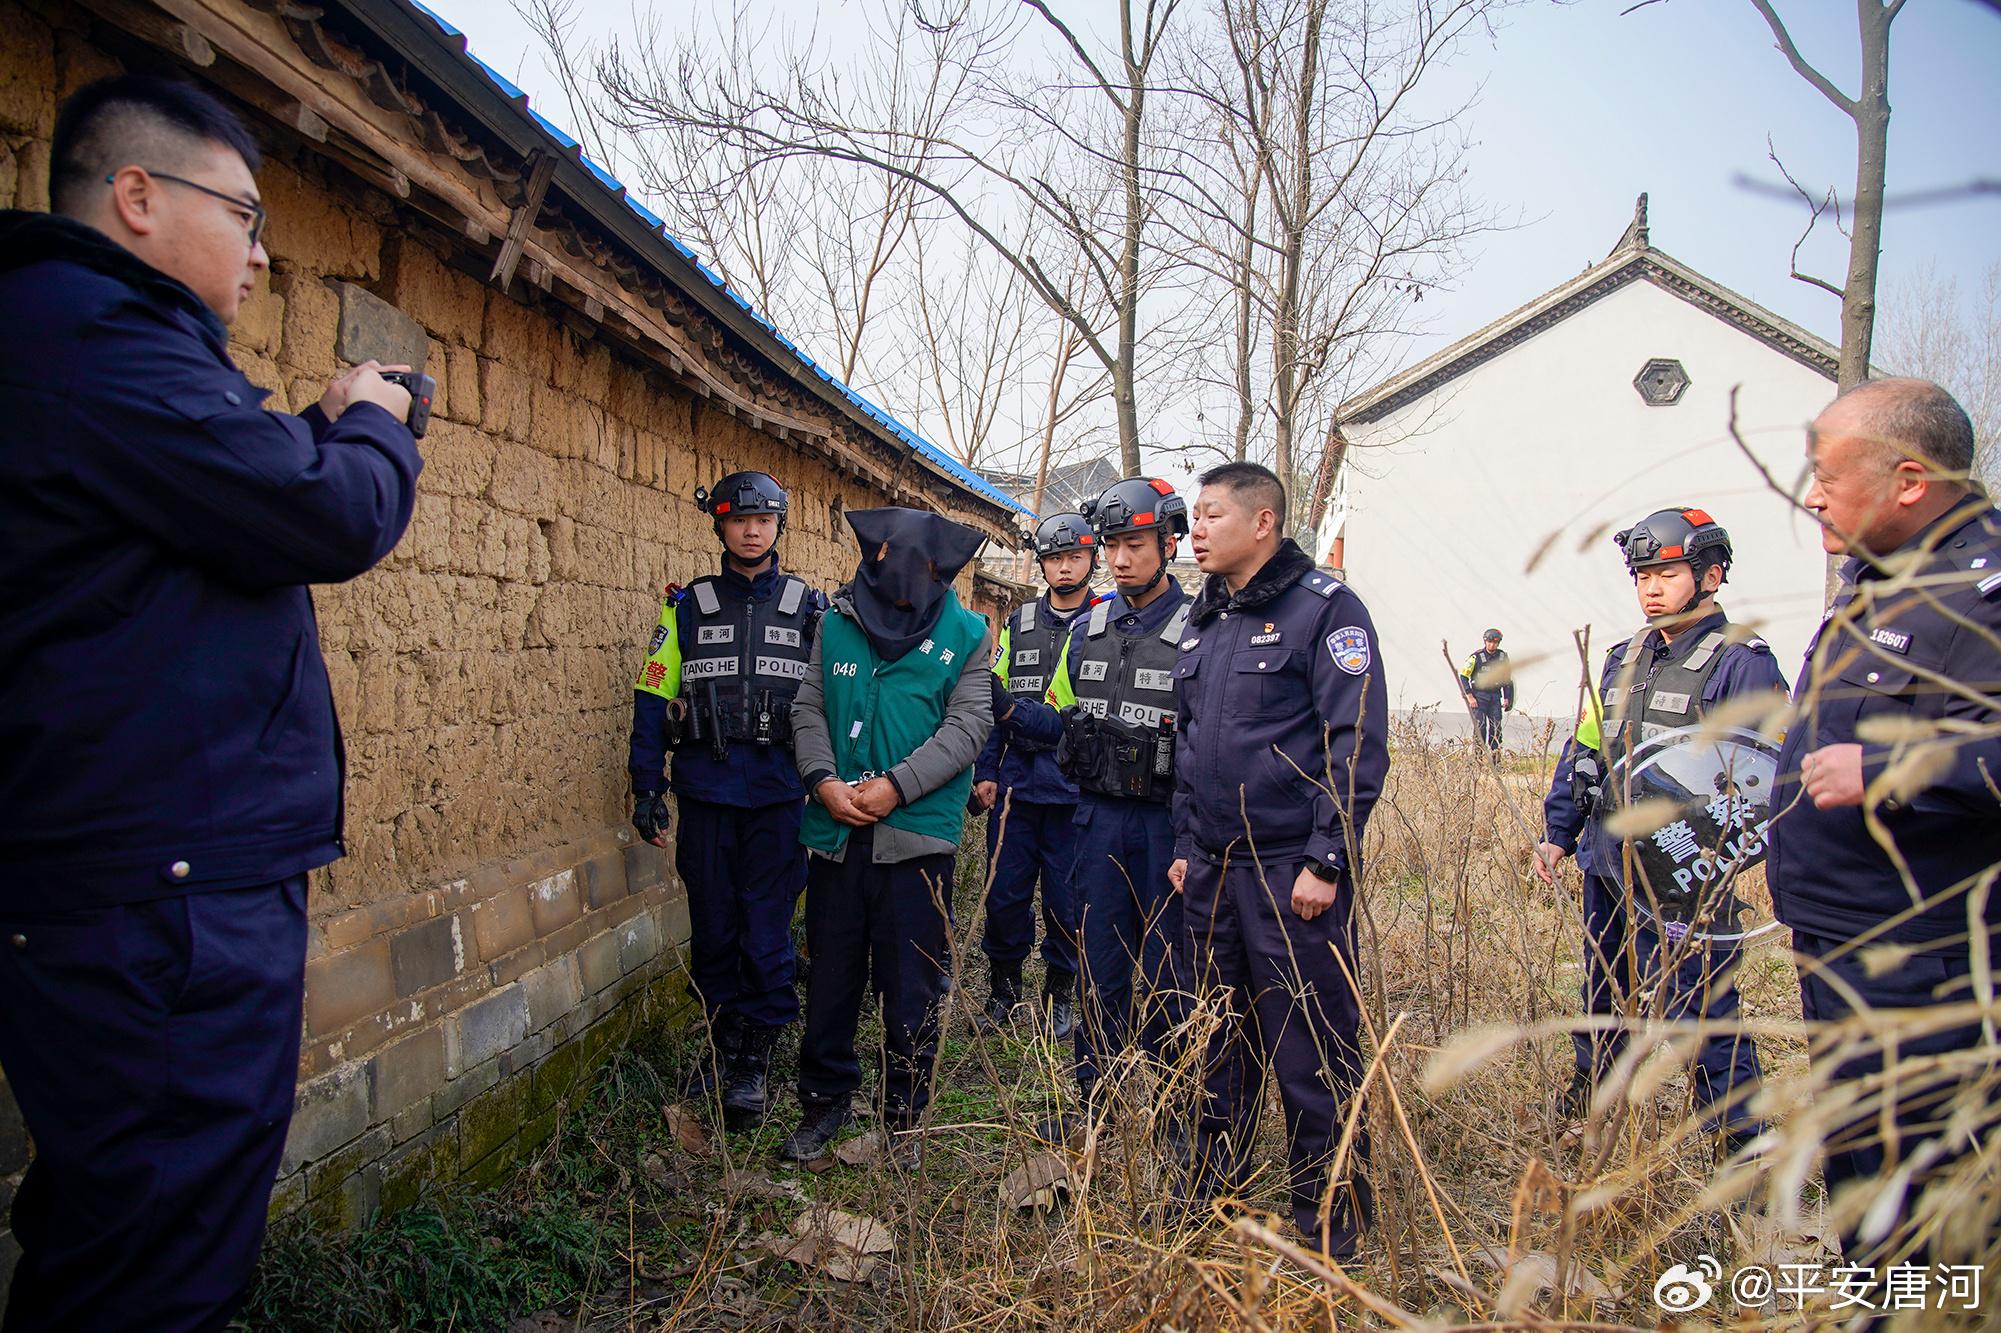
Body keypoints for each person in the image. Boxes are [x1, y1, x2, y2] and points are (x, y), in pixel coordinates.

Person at [0, 77, 422, 1330]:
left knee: (120, 1230)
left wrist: (311, 429)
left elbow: (205, 513)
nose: (257, 251)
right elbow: (325, 514)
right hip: (159, 897)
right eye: (240, 215)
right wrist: (378, 425)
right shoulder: (94, 334)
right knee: (161, 1261)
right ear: (136, 195)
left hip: (141, 872)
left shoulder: (86, 349)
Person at [1767, 378, 2001, 1262]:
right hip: (1835, 936)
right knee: (1862, 1166)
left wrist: (1894, 770)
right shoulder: (1876, 575)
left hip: (1927, 961)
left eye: (1826, 474)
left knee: (1922, 1187)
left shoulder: (1982, 589)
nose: (1811, 494)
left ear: (1910, 478)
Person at [1168, 462, 1390, 1258]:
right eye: (1193, 515)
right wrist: (1185, 846)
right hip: (1213, 871)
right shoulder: (1204, 619)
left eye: (1211, 514)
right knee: (1213, 1041)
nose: (1194, 530)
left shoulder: (1324, 611)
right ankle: (1204, 1197)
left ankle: (1328, 1222)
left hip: (1289, 871)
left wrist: (1325, 860)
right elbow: (1188, 742)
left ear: (1262, 522)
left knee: (1310, 1046)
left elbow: (1354, 742)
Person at [1533, 508, 1784, 1150]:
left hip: (1682, 876)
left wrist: (1707, 858)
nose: (1650, 587)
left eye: (1667, 572)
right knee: (1604, 991)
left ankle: (1737, 1145)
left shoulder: (1742, 663)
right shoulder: (1623, 658)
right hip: (1607, 861)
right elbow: (1586, 747)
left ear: (1711, 575)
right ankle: (1593, 1108)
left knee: (1700, 1008)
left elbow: (1765, 779)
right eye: (1642, 574)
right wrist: (1559, 830)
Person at [782, 507, 994, 1165]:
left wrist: (894, 786)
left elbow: (967, 726)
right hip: (837, 833)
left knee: (910, 987)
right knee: (831, 980)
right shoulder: (836, 624)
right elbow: (808, 707)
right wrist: (823, 780)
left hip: (916, 842)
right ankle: (823, 1104)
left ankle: (903, 1120)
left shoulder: (966, 633)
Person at [629, 471, 828, 1117]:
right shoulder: (686, 605)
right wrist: (645, 785)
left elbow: (836, 699)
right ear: (719, 525)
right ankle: (722, 1043)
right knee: (714, 928)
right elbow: (653, 692)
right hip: (706, 794)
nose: (751, 530)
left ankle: (755, 1060)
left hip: (777, 798)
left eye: (763, 520)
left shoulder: (810, 608)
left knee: (765, 930)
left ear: (778, 526)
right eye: (739, 520)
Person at [1006, 477, 1194, 1145]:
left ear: (1166, 544)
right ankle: (1097, 1102)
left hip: (1168, 828)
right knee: (1098, 970)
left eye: (1134, 543)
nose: (1119, 558)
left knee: (1174, 975)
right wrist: (999, 705)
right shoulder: (1085, 627)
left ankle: (1176, 1118)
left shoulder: (1199, 628)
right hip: (1095, 823)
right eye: (1111, 544)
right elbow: (1057, 717)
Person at [969, 513, 1096, 1041]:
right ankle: (1003, 990)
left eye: (1074, 557)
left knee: (1066, 902)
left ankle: (1060, 995)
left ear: (1093, 558)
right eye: (1054, 559)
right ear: (1041, 563)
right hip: (1018, 785)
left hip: (1076, 792)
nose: (1064, 568)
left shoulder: (1108, 624)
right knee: (1004, 894)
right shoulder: (1019, 625)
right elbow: (991, 701)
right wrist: (985, 771)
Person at [1460, 628, 1514, 753]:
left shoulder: (1502, 657)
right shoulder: (1476, 657)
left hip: (1495, 698)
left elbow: (1507, 680)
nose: (1492, 645)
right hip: (1479, 698)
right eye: (1489, 642)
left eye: (1495, 642)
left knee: (1496, 728)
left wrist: (1507, 698)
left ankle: (1496, 759)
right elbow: (1464, 676)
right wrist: (1470, 696)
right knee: (1480, 728)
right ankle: (1478, 758)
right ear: (1485, 642)